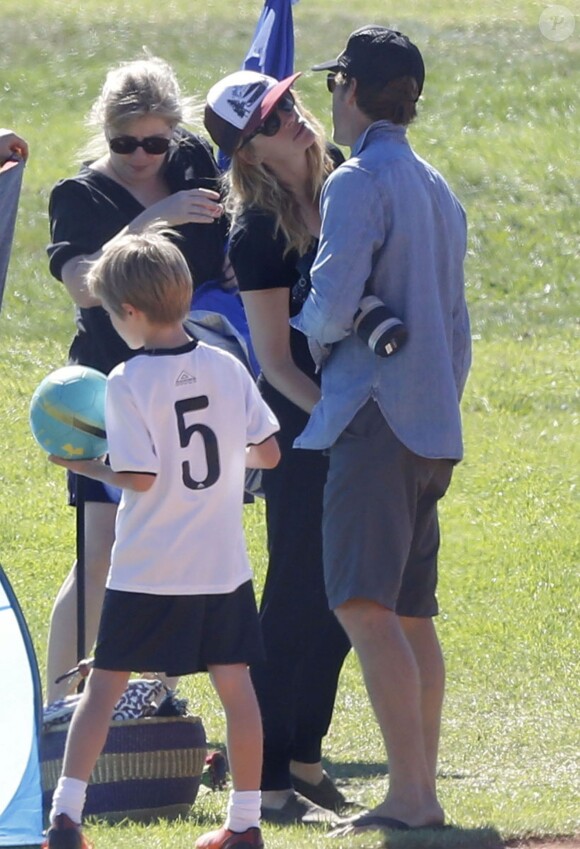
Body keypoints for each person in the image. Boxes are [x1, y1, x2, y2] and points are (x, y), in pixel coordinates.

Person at [44, 227, 280, 849]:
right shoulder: (227, 365)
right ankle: (245, 823)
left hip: (148, 565)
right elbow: (269, 453)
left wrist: (86, 466)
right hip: (221, 563)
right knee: (237, 691)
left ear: (129, 311)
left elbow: (141, 477)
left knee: (101, 690)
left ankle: (66, 818)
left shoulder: (127, 380)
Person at [292, 26, 472, 836]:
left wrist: (304, 325)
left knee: (365, 606)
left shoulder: (358, 179)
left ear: (353, 90)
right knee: (407, 614)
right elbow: (458, 329)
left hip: (374, 420)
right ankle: (418, 790)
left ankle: (412, 796)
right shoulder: (437, 186)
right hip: (431, 425)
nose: (332, 96)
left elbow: (333, 305)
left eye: (336, 84)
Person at [45, 56, 230, 703]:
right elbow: (82, 284)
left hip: (186, 388)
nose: (143, 156)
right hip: (107, 388)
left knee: (176, 553)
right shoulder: (80, 196)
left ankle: (156, 701)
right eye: (126, 143)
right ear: (106, 131)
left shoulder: (191, 161)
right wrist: (157, 218)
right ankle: (58, 708)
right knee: (100, 554)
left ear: (175, 131)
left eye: (156, 142)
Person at [204, 70, 351, 825]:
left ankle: (304, 758)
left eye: (287, 103)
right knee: (298, 594)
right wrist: (341, 419)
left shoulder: (348, 178)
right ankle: (261, 780)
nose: (290, 117)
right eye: (268, 120)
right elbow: (275, 361)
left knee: (351, 598)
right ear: (248, 153)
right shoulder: (257, 228)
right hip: (304, 423)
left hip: (360, 415)